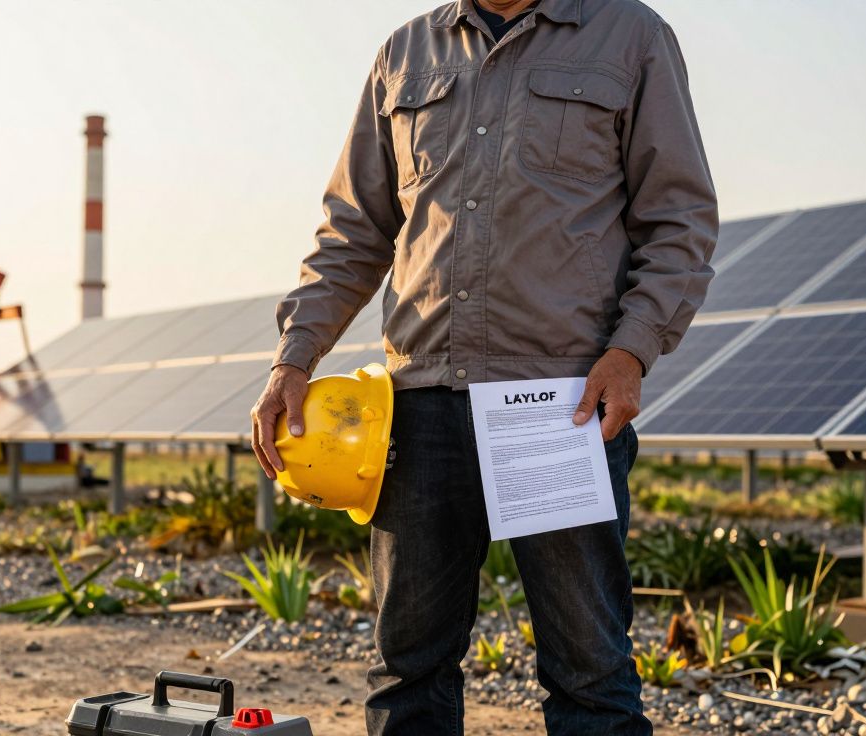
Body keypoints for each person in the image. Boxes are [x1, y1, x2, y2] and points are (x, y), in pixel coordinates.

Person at [250, 0, 716, 733]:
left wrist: (631, 350)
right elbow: (353, 232)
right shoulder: (404, 53)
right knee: (409, 668)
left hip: (559, 406)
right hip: (420, 408)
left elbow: (679, 220)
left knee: (588, 668)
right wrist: (293, 357)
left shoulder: (630, 37)